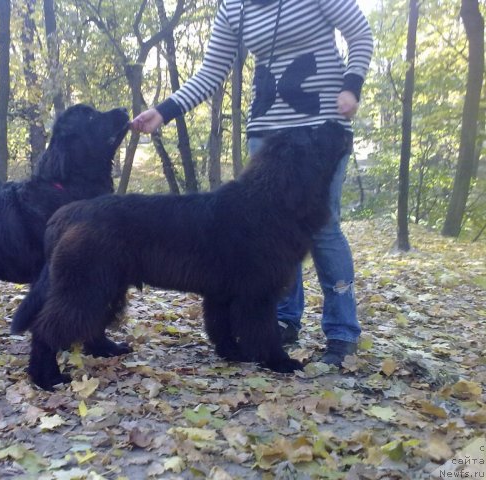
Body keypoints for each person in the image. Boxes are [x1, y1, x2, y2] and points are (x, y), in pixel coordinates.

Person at [131, 0, 373, 366]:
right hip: (266, 134)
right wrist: (165, 111)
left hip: (320, 128)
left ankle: (341, 332)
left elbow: (360, 34)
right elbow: (212, 71)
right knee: (267, 239)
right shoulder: (234, 8)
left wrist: (351, 87)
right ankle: (282, 321)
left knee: (323, 228)